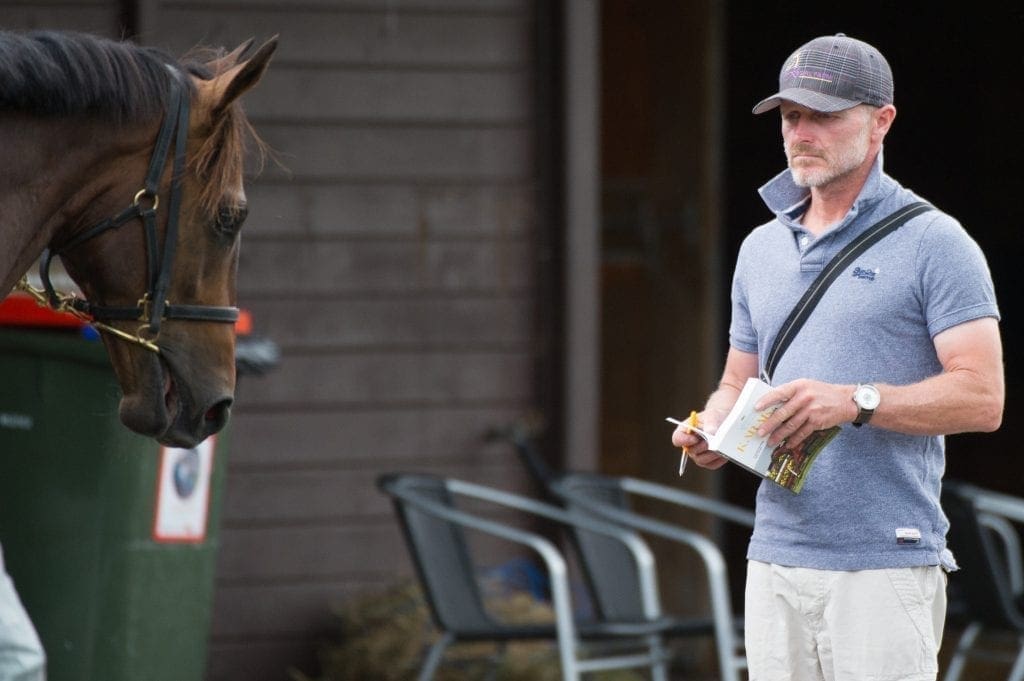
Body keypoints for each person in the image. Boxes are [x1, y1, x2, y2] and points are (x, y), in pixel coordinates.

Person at [671, 33, 1004, 681]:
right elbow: (736, 380)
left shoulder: (937, 242)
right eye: (791, 116)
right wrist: (711, 428)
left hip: (885, 560)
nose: (801, 131)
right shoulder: (759, 249)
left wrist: (857, 400)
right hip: (774, 556)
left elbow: (984, 397)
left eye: (824, 115)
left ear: (882, 121)